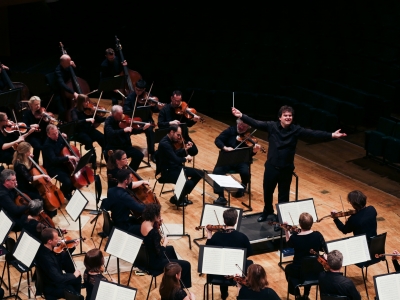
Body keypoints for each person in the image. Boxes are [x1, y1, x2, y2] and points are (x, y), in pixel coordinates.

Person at [231, 106, 347, 223]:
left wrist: (332, 135)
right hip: (271, 167)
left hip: (286, 169)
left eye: (290, 115)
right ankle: (267, 211)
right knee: (267, 191)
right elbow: (256, 123)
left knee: (283, 195)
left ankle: (280, 217)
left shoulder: (296, 130)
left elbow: (313, 133)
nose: (288, 117)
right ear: (280, 117)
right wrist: (241, 115)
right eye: (285, 115)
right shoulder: (271, 126)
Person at [205, 208, 253, 300]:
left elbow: (208, 253)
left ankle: (224, 293)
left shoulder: (216, 236)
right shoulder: (242, 237)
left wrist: (209, 234)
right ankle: (243, 292)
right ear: (236, 220)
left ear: (224, 220)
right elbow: (249, 253)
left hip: (218, 273)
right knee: (249, 262)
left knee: (221, 262)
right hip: (237, 272)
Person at [141, 203, 192, 288]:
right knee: (186, 264)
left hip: (147, 256)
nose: (160, 216)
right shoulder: (153, 233)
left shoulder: (144, 223)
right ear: (155, 215)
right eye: (159, 214)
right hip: (154, 262)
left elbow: (152, 243)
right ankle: (181, 288)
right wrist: (164, 243)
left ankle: (174, 277)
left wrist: (158, 225)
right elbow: (160, 253)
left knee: (171, 249)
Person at [212, 118, 261, 205]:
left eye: (245, 126)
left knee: (245, 172)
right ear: (237, 123)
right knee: (217, 172)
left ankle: (243, 187)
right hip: (227, 158)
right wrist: (225, 148)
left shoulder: (249, 138)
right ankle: (221, 196)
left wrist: (254, 151)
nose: (242, 128)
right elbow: (217, 140)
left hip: (241, 161)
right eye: (241, 125)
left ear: (248, 127)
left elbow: (249, 155)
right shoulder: (230, 131)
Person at [157, 125, 204, 206]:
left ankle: (178, 197)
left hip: (174, 167)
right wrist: (186, 158)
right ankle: (178, 199)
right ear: (172, 132)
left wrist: (185, 149)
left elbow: (174, 154)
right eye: (178, 135)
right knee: (188, 183)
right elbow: (176, 159)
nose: (179, 137)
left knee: (200, 173)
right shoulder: (165, 144)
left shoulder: (169, 140)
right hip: (167, 172)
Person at [284, 212, 327, 299]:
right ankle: (306, 294)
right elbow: (325, 249)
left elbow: (289, 243)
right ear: (311, 224)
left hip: (298, 271)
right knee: (309, 267)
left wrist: (286, 230)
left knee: (288, 269)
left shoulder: (295, 238)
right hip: (315, 270)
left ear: (299, 224)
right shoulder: (318, 235)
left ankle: (297, 294)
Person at [12, 142, 57, 217]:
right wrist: (42, 175)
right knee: (40, 198)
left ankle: (50, 214)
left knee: (42, 194)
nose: (30, 152)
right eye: (29, 151)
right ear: (25, 152)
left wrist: (31, 161)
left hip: (29, 185)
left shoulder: (25, 159)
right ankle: (43, 216)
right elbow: (29, 178)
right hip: (24, 188)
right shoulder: (19, 165)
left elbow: (31, 170)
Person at [35, 228, 81, 299]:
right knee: (76, 292)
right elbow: (58, 278)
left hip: (53, 279)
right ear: (49, 241)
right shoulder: (46, 259)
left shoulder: (48, 248)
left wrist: (72, 247)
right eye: (56, 238)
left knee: (77, 278)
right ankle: (75, 295)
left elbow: (64, 258)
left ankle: (75, 294)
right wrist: (73, 276)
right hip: (52, 286)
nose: (59, 239)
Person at [123, 79, 161, 163]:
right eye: (136, 89)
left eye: (140, 90)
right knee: (126, 132)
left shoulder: (148, 96)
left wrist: (156, 106)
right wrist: (133, 110)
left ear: (144, 89)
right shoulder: (130, 96)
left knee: (151, 132)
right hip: (134, 122)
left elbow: (154, 110)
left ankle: (152, 153)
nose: (137, 91)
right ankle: (129, 151)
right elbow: (125, 109)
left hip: (146, 121)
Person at [104, 105, 150, 171]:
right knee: (114, 163)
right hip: (114, 148)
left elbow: (133, 130)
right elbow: (110, 133)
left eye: (122, 113)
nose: (121, 116)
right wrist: (123, 130)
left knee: (139, 155)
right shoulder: (109, 121)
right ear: (113, 114)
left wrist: (143, 128)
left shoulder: (124, 119)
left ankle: (129, 172)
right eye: (119, 115)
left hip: (125, 147)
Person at [102, 169, 147, 236]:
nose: (132, 179)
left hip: (116, 221)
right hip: (123, 227)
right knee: (147, 229)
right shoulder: (124, 196)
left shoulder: (111, 190)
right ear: (126, 181)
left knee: (137, 219)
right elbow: (140, 208)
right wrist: (151, 206)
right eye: (131, 178)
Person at [158, 90, 199, 157]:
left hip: (183, 136)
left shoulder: (183, 109)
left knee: (194, 151)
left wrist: (193, 120)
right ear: (171, 98)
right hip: (170, 138)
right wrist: (170, 123)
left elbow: (188, 124)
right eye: (175, 100)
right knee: (174, 152)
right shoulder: (164, 110)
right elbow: (160, 124)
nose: (177, 103)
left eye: (179, 101)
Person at [42, 124, 78, 200]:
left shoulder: (59, 138)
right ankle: (62, 194)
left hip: (62, 164)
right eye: (53, 134)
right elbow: (54, 160)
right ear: (48, 135)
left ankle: (66, 191)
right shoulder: (47, 146)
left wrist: (66, 139)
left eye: (57, 132)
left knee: (75, 177)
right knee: (68, 181)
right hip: (53, 168)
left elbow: (65, 148)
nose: (56, 135)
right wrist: (68, 158)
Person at [70, 94, 105, 169]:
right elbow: (75, 122)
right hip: (80, 132)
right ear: (80, 102)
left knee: (103, 138)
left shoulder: (90, 110)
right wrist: (86, 120)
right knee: (88, 141)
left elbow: (98, 120)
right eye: (85, 102)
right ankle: (93, 161)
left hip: (90, 130)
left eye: (88, 101)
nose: (87, 103)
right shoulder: (74, 111)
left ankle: (108, 158)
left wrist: (107, 118)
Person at [22, 96, 49, 162]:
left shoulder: (42, 112)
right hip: (33, 135)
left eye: (39, 104)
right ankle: (35, 163)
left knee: (46, 146)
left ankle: (46, 165)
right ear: (31, 105)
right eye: (36, 104)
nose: (38, 106)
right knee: (38, 147)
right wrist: (31, 126)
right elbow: (24, 126)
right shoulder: (27, 114)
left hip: (43, 134)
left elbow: (46, 125)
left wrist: (46, 119)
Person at [54, 54, 79, 119]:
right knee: (62, 110)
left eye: (70, 61)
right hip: (59, 91)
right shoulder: (58, 71)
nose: (70, 63)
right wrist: (73, 92)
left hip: (69, 88)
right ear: (62, 62)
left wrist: (74, 67)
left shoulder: (69, 66)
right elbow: (62, 84)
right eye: (68, 62)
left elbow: (75, 76)